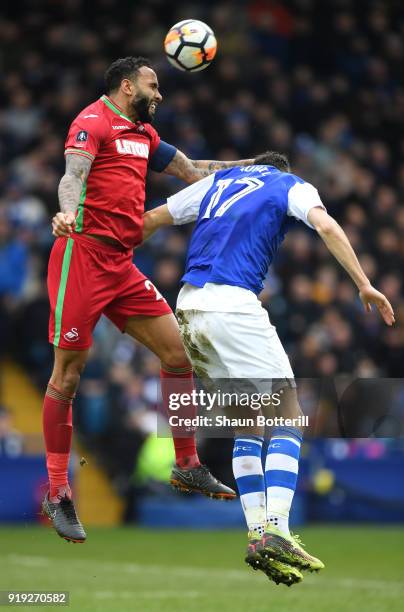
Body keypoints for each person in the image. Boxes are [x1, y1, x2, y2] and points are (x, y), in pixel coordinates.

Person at [142, 151, 395, 585]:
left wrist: (93, 244)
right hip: (232, 305)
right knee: (289, 414)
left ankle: (258, 533)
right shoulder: (287, 184)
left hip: (187, 307)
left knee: (248, 423)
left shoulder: (218, 184)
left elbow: (150, 220)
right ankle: (277, 526)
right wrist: (364, 283)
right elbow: (327, 225)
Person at [43, 56, 256, 543]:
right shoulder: (91, 121)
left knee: (178, 353)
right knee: (68, 374)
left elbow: (194, 172)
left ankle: (186, 464)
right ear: (126, 85)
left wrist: (253, 169)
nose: (159, 94)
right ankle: (57, 492)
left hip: (120, 264)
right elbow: (72, 176)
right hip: (82, 256)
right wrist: (65, 213)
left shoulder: (146, 136)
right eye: (152, 85)